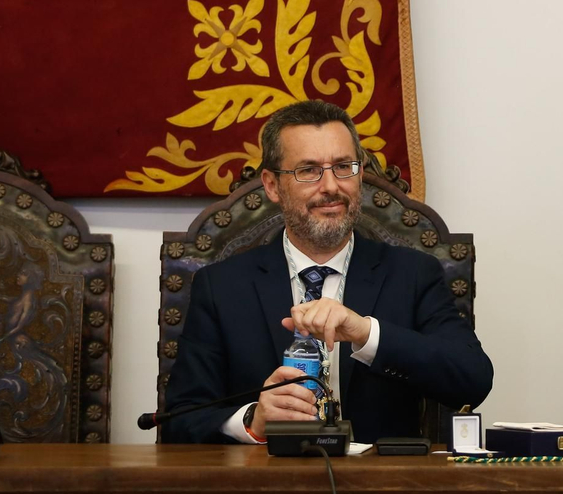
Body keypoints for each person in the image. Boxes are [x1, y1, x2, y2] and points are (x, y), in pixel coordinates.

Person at [162, 99, 493, 444]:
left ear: (360, 175)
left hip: (376, 474)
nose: (331, 186)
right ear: (272, 185)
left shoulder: (413, 275)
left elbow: (474, 380)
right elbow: (179, 421)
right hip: (266, 472)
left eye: (343, 166)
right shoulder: (222, 287)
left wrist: (367, 333)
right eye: (308, 170)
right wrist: (252, 421)